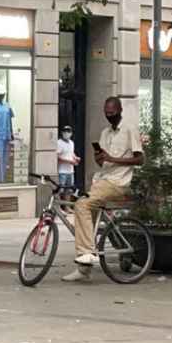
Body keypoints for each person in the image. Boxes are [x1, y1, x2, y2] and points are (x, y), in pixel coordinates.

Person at [62, 97, 143, 283]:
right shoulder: (105, 133)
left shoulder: (130, 129)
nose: (109, 117)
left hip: (117, 182)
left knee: (82, 205)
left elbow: (140, 159)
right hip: (101, 180)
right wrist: (100, 157)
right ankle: (84, 270)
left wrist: (113, 159)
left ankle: (86, 253)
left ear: (120, 110)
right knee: (86, 217)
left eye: (112, 113)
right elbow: (102, 161)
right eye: (106, 113)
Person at [57, 124, 80, 190]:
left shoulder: (71, 143)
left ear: (71, 133)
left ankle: (67, 200)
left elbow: (71, 153)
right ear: (62, 132)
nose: (67, 133)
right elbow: (57, 157)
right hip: (62, 171)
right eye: (65, 131)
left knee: (69, 190)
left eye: (68, 131)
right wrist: (69, 161)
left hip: (70, 171)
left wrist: (76, 158)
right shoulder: (59, 143)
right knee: (60, 190)